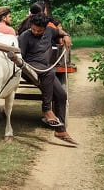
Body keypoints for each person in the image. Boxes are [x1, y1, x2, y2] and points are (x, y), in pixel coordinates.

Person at [18, 13, 77, 145]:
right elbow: (20, 59)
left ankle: (60, 130)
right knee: (50, 72)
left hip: (45, 70)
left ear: (45, 28)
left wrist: (66, 35)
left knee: (62, 95)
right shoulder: (25, 36)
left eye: (39, 30)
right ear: (31, 26)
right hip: (29, 68)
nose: (36, 32)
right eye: (33, 29)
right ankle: (46, 110)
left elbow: (60, 31)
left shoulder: (50, 31)